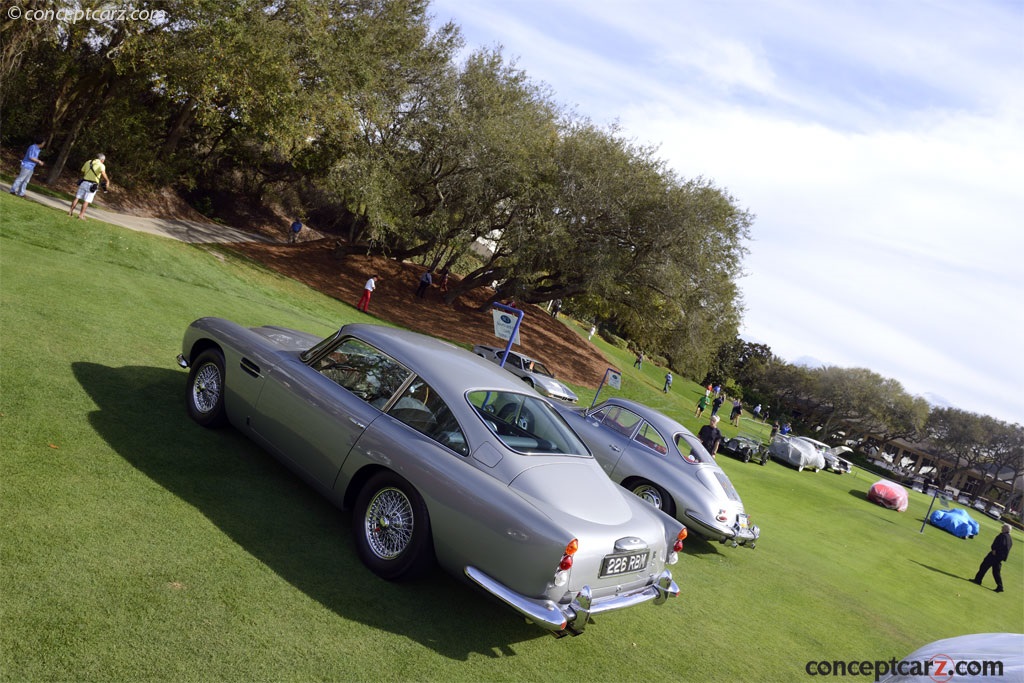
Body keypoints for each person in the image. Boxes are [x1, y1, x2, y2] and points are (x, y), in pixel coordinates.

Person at [68, 153, 110, 220]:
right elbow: (103, 173)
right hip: (92, 185)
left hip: (84, 182)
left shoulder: (88, 162)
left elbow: (82, 170)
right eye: (103, 160)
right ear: (102, 160)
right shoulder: (101, 165)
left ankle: (70, 212)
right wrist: (107, 180)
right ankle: (81, 215)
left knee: (77, 197)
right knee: (86, 201)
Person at [972, 523, 1012, 592]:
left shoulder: (1003, 536)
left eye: (1003, 527)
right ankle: (1000, 586)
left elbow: (1001, 545)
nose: (1001, 528)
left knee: (984, 566)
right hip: (999, 557)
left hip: (995, 555)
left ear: (1006, 529)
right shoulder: (1009, 538)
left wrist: (994, 550)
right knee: (996, 572)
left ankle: (978, 580)